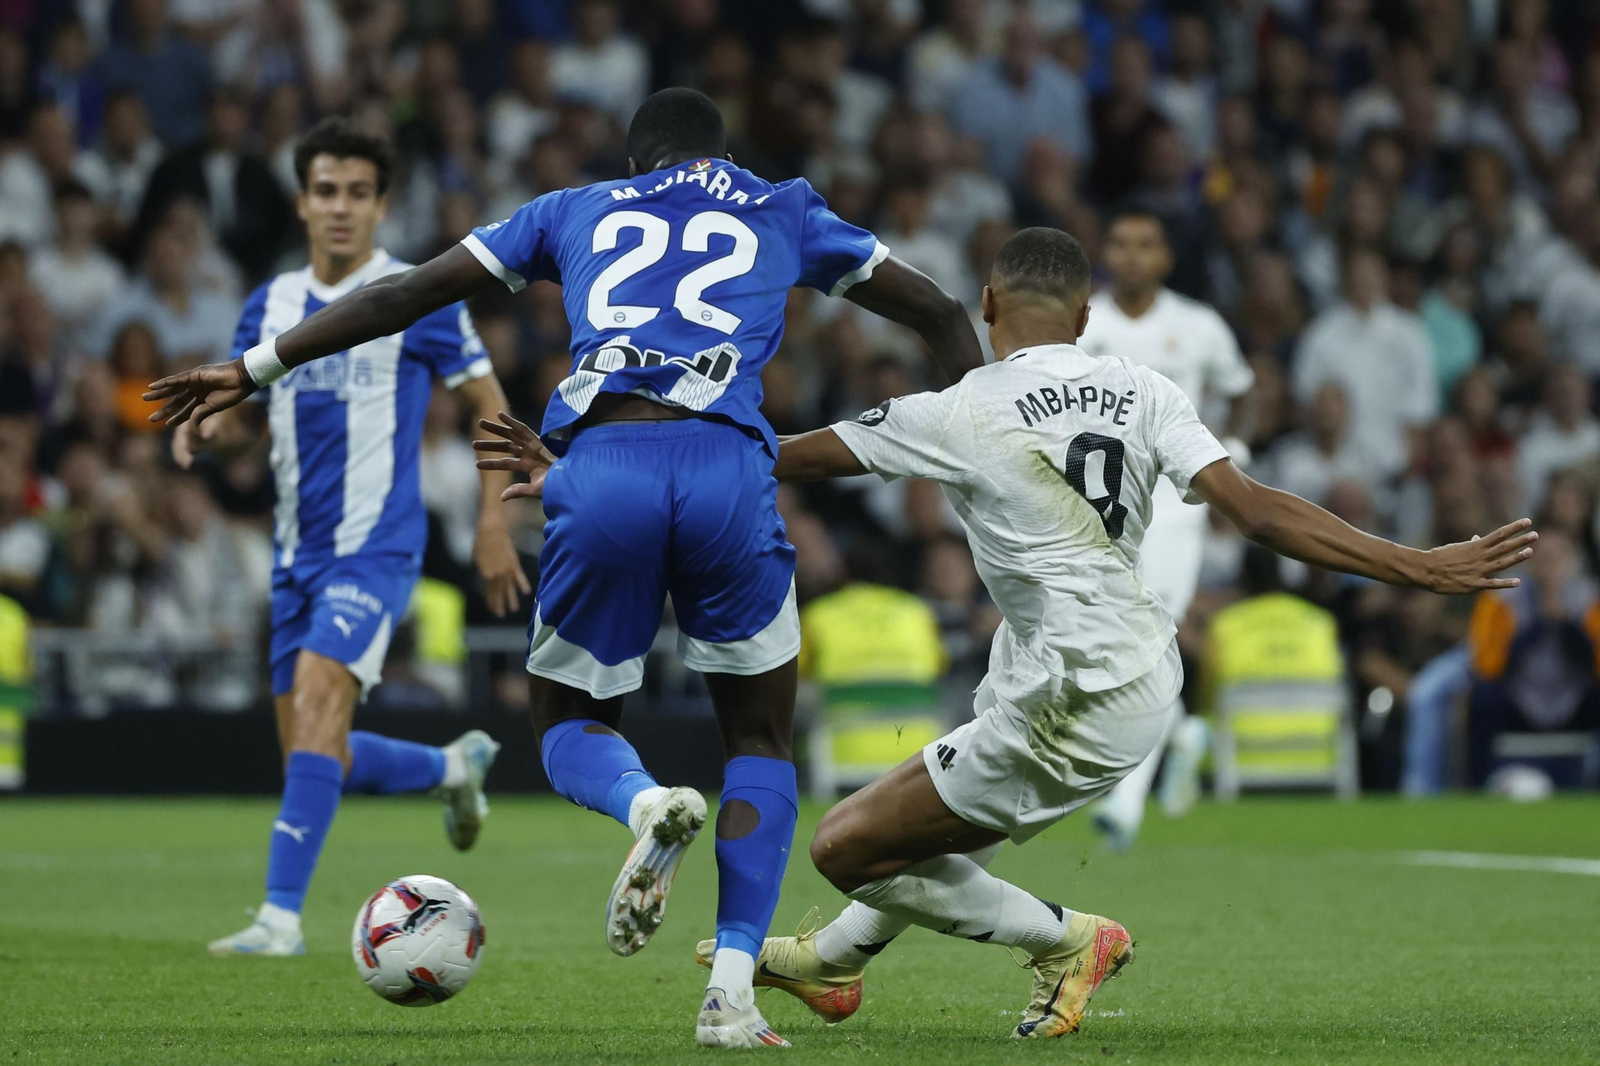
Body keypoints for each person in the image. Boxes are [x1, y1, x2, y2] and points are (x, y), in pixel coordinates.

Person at [474, 226, 1532, 1043]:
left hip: (1068, 694)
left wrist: (580, 467)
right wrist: (1418, 561)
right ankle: (835, 961)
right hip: (1129, 665)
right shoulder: (1144, 385)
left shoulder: (958, 409)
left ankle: (1072, 939)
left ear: (986, 305)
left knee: (849, 844)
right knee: (925, 828)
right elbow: (1254, 509)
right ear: (1082, 315)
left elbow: (772, 457)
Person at [145, 88, 982, 1048]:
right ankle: (733, 990)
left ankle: (643, 803)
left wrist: (254, 367)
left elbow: (405, 293)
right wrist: (984, 442)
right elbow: (938, 308)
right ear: (721, 156)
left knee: (569, 723)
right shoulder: (783, 203)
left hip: (599, 469)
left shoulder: (572, 208)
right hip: (728, 471)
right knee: (757, 739)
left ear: (636, 167)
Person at [172, 117, 528, 958]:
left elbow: (491, 405)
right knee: (312, 748)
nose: (341, 208)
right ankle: (450, 769)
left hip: (377, 548)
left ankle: (279, 921)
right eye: (326, 190)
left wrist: (490, 518)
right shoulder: (273, 305)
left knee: (324, 706)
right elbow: (246, 417)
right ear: (301, 202)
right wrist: (205, 432)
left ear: (381, 206)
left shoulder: (413, 293)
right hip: (297, 554)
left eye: (358, 194)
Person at [1078, 206, 1254, 847]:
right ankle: (1180, 733)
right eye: (1119, 242)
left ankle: (1125, 802)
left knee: (1154, 636)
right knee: (1111, 636)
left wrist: (1233, 446)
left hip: (1177, 504)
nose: (1131, 255)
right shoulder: (1083, 322)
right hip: (1099, 503)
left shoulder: (1199, 326)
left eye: (1144, 244)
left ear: (1164, 258)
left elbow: (1242, 388)